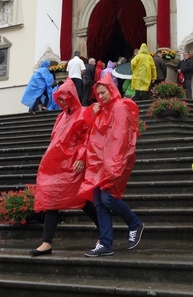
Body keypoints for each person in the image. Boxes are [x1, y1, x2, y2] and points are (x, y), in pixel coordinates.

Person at [30, 78, 99, 256]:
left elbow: (88, 136)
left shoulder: (83, 113)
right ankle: (46, 242)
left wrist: (82, 157)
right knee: (52, 201)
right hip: (58, 164)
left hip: (73, 164)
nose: (61, 101)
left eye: (64, 97)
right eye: (59, 98)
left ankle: (104, 233)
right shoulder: (61, 116)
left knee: (83, 201)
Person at [78, 74, 144, 257]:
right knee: (99, 202)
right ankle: (106, 243)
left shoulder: (120, 107)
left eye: (103, 92)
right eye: (98, 94)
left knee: (107, 199)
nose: (101, 96)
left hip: (112, 162)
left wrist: (114, 163)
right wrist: (94, 113)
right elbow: (92, 132)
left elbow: (121, 136)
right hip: (99, 164)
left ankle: (134, 223)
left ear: (111, 89)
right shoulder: (104, 110)